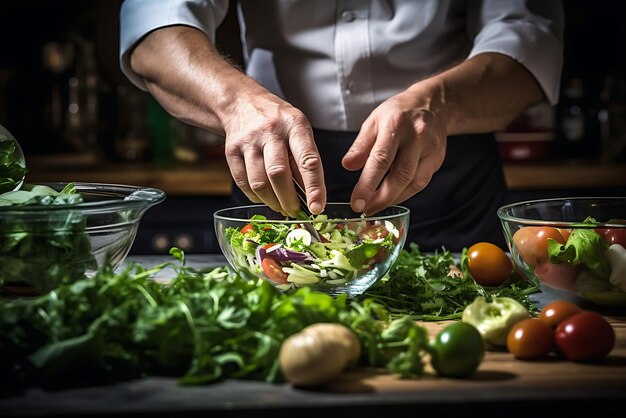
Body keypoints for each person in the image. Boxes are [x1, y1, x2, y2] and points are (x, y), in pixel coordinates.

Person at [119, 0, 564, 251]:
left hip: (444, 168)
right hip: (275, 170)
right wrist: (239, 105)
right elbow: (154, 27)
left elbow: (531, 39)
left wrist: (436, 102)